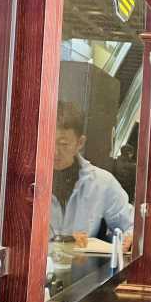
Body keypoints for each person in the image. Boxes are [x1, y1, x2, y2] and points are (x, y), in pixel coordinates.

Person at [50, 101, 134, 244]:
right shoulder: (26, 179)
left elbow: (131, 225)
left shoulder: (101, 182)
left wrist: (129, 239)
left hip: (81, 259)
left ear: (80, 143)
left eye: (63, 144)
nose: (55, 151)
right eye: (49, 141)